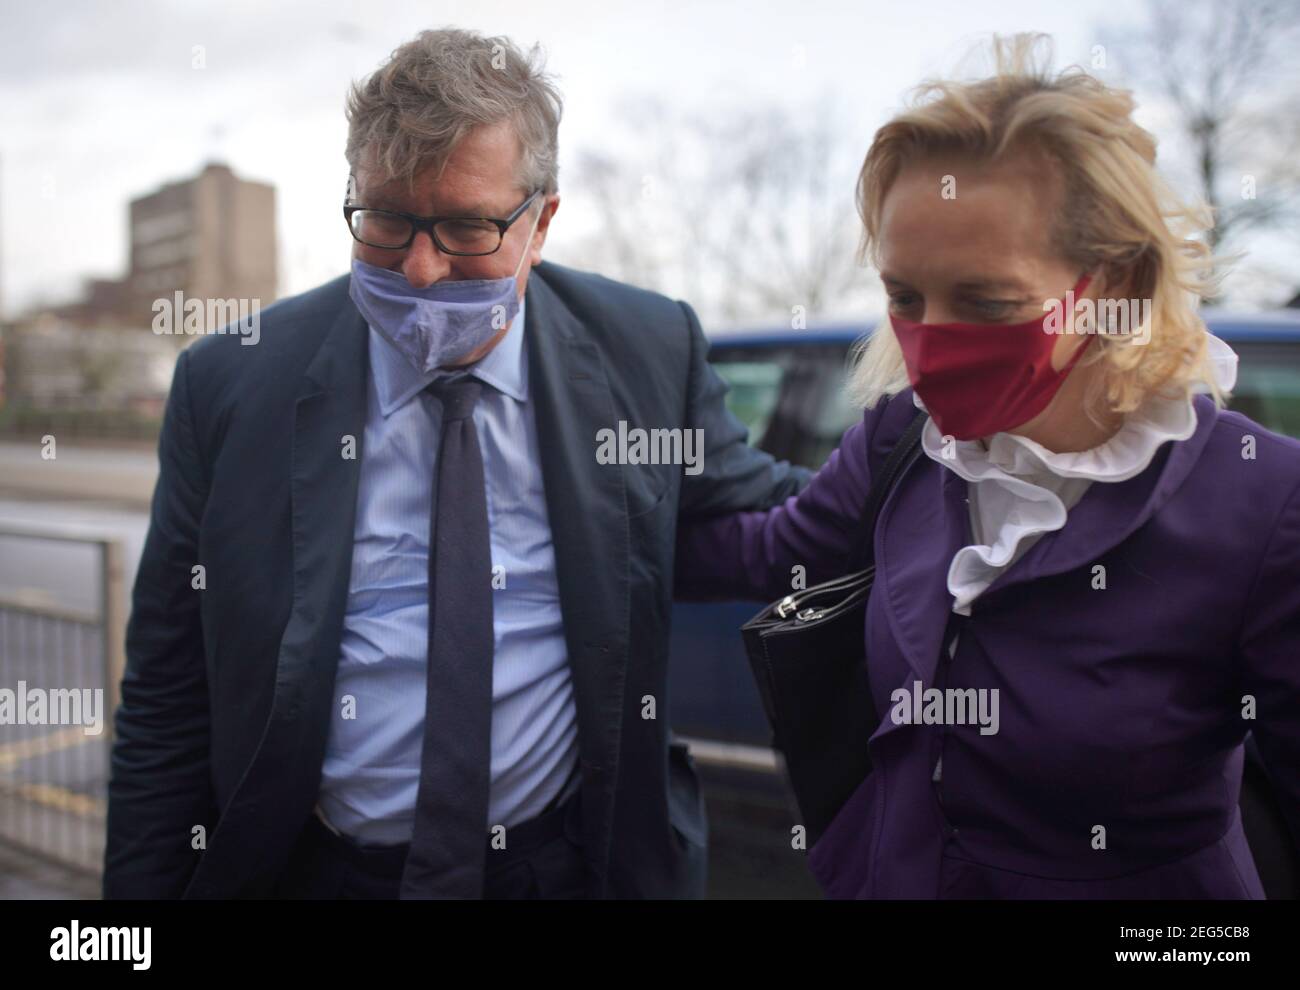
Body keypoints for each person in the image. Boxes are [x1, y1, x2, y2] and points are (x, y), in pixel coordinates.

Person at [103, 27, 808, 900]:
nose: (423, 269)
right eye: (389, 220)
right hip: (316, 875)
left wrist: (949, 460)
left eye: (469, 228)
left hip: (565, 871)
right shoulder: (232, 382)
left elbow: (775, 515)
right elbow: (167, 697)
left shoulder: (645, 351)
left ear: (541, 221)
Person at [676, 34, 1300, 898]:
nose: (929, 341)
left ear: (1109, 285)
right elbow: (767, 550)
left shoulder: (1265, 502)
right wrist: (565, 516)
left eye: (986, 302)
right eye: (903, 297)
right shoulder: (902, 440)